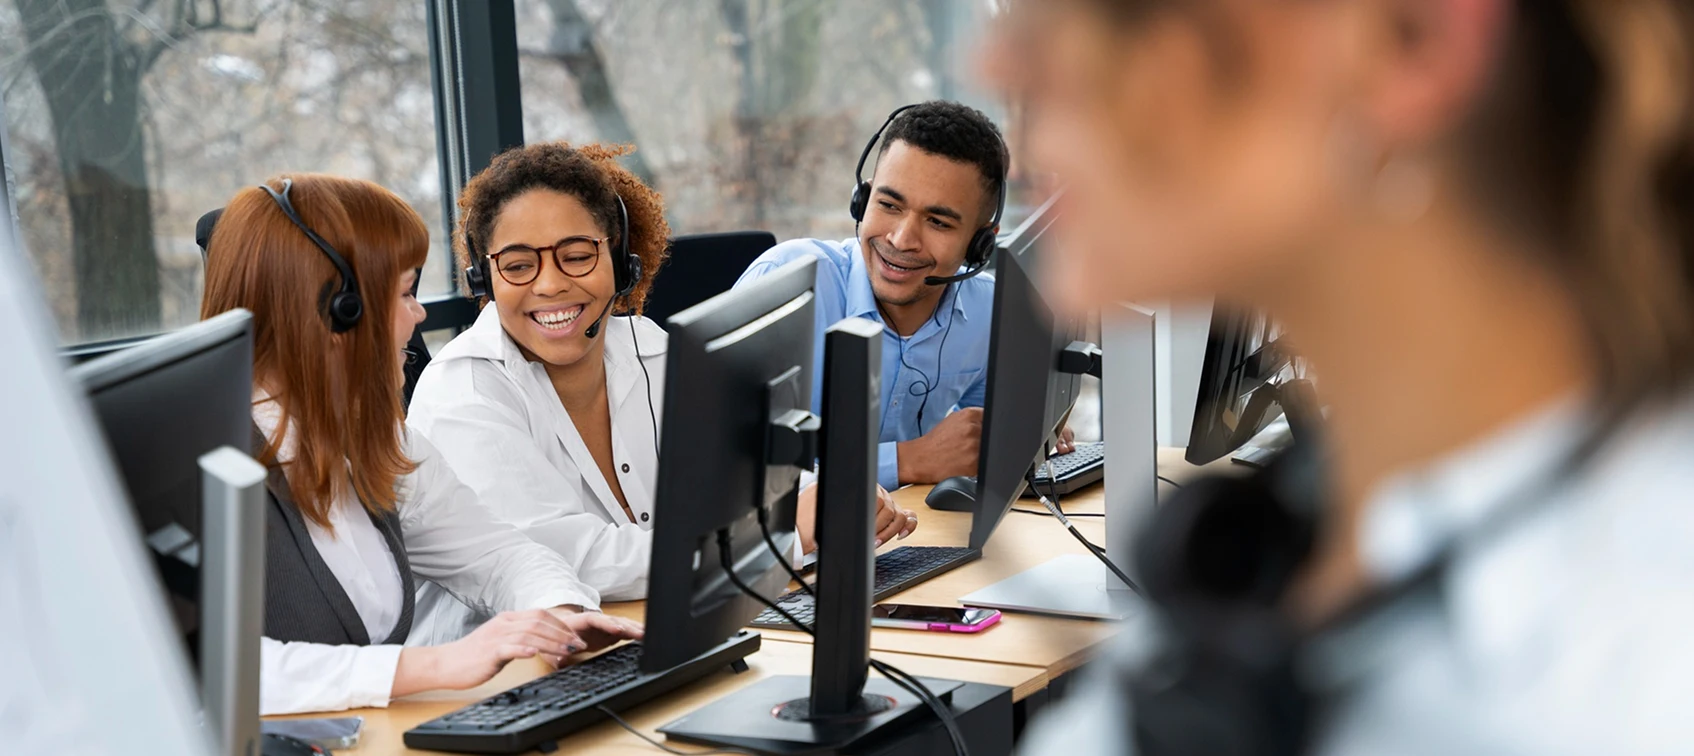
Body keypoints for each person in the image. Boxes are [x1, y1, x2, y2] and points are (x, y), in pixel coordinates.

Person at [984, 0, 1694, 753]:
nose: (998, 65)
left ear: (1406, 39)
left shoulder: (1632, 683)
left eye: (1096, 13)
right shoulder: (1272, 563)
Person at [403, 142, 914, 642]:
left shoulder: (648, 348)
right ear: (484, 278)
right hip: (499, 678)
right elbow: (566, 557)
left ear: (623, 263)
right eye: (517, 266)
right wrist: (774, 536)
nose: (550, 284)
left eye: (577, 256)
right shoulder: (463, 392)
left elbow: (754, 464)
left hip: (650, 633)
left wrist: (823, 499)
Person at [200, 174, 642, 716]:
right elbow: (198, 668)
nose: (420, 314)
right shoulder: (204, 460)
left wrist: (558, 614)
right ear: (340, 310)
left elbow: (497, 554)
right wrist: (439, 665)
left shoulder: (372, 436)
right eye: (406, 293)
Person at [735, 100, 1073, 492]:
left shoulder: (988, 314)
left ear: (980, 243)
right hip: (797, 551)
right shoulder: (784, 289)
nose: (901, 240)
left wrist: (1026, 436)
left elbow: (984, 441)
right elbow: (734, 471)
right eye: (889, 205)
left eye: (938, 222)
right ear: (862, 200)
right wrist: (908, 460)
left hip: (913, 539)